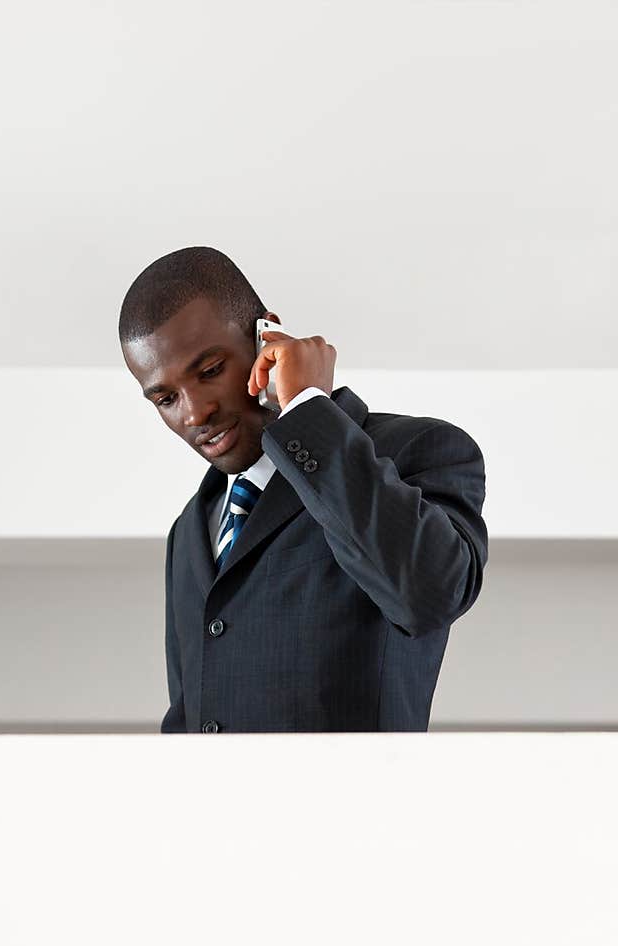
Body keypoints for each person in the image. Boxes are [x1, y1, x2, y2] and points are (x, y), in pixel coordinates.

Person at [119, 247, 487, 734]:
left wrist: (310, 411)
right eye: (165, 398)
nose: (194, 413)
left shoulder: (417, 451)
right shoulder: (190, 529)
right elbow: (191, 714)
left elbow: (431, 594)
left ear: (265, 338)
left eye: (209, 372)